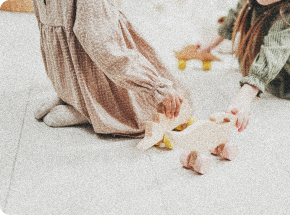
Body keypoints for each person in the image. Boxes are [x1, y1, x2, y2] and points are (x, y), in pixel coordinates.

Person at [31, 0, 191, 137]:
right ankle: (89, 108)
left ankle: (74, 98)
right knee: (158, 107)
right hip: (94, 63)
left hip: (74, 68)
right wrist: (156, 85)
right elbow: (102, 43)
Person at [197, 0, 290, 132]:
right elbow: (238, 11)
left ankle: (266, 71)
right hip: (284, 42)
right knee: (253, 9)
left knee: (278, 31)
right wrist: (210, 44)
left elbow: (276, 47)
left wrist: (246, 94)